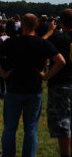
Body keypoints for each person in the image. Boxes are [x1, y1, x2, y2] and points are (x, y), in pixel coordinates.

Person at [0, 13, 65, 157]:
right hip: (33, 90)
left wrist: (3, 74)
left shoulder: (11, 42)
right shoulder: (42, 43)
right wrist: (46, 76)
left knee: (10, 128)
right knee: (31, 129)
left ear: (21, 24)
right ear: (36, 25)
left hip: (13, 89)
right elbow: (61, 61)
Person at [43, 9, 72, 157]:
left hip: (61, 84)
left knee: (63, 122)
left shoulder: (57, 38)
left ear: (61, 22)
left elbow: (39, 45)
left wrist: (49, 31)